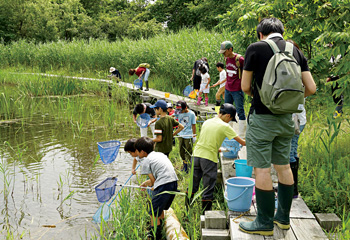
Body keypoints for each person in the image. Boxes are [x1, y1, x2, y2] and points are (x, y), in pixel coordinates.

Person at [239, 18, 316, 236]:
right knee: (283, 166)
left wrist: (264, 98)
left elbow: (245, 86)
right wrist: (289, 103)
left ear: (260, 34)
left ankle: (263, 222)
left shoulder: (255, 49)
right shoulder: (295, 51)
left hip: (262, 119)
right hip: (286, 120)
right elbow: (311, 87)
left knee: (262, 169)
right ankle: (282, 219)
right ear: (282, 32)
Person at [187, 103, 246, 212]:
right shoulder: (225, 126)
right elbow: (242, 142)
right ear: (228, 115)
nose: (229, 122)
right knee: (208, 187)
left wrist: (219, 149)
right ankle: (206, 214)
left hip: (196, 155)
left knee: (193, 185)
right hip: (208, 159)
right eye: (231, 119)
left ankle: (187, 210)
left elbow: (206, 141)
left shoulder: (207, 122)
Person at [134, 137, 178, 240]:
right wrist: (147, 183)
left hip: (163, 185)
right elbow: (161, 174)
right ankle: (162, 228)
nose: (137, 154)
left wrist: (153, 186)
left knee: (152, 213)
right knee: (159, 208)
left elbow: (153, 181)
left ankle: (155, 236)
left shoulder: (146, 161)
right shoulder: (160, 154)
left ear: (143, 152)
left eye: (137, 151)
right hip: (173, 182)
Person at [218, 41, 247, 138]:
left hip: (237, 89)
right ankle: (228, 132)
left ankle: (242, 135)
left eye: (224, 52)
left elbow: (247, 72)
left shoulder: (240, 59)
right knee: (227, 111)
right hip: (228, 88)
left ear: (230, 49)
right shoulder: (226, 59)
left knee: (240, 110)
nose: (223, 54)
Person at [175, 100, 196, 173]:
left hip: (188, 135)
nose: (180, 112)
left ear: (185, 108)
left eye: (181, 110)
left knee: (188, 151)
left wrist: (194, 135)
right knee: (181, 150)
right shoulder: (178, 112)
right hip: (180, 134)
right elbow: (174, 119)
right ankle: (184, 164)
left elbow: (193, 125)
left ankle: (188, 166)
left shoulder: (191, 114)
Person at [326, 52, 344, 118]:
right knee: (334, 94)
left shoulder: (341, 55)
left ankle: (338, 111)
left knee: (339, 95)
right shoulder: (331, 57)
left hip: (340, 77)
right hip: (333, 79)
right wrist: (329, 77)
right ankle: (339, 110)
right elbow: (331, 68)